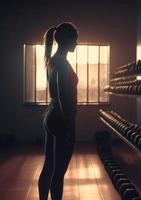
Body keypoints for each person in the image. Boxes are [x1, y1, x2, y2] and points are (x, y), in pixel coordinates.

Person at [39, 22, 78, 200]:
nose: (76, 43)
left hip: (50, 115)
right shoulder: (61, 63)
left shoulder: (52, 61)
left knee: (49, 165)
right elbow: (63, 96)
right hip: (60, 118)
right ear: (66, 40)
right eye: (75, 39)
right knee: (59, 171)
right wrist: (70, 126)